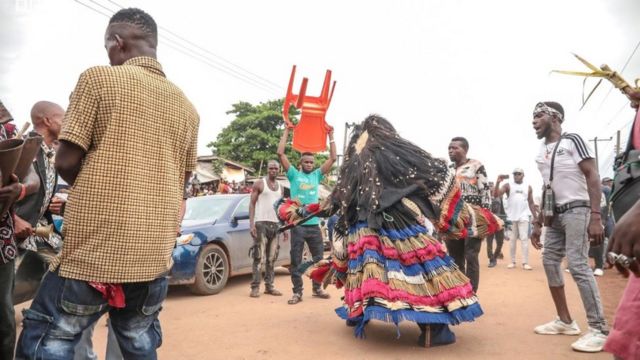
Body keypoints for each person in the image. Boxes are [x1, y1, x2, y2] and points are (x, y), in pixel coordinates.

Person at [16, 8, 199, 359]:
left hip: (95, 253)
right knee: (138, 339)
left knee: (49, 337)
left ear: (117, 42)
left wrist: (105, 188)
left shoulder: (99, 79)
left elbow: (67, 161)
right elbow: (181, 183)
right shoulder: (188, 108)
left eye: (108, 48)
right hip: (153, 258)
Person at [307, 115, 484, 347]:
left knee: (364, 269)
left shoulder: (353, 160)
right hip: (398, 222)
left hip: (360, 226)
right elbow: (434, 172)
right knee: (418, 271)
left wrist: (300, 212)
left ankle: (357, 313)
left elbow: (336, 199)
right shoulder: (394, 150)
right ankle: (433, 328)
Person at [529, 101, 608, 353]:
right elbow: (546, 185)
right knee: (550, 261)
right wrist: (538, 221)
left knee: (578, 265)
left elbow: (592, 175)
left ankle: (599, 329)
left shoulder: (572, 140)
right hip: (555, 215)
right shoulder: (541, 151)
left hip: (578, 209)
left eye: (539, 115)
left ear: (555, 118)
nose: (533, 121)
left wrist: (595, 216)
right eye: (532, 117)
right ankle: (565, 321)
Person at [0, 100, 41, 360]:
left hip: (1, 243)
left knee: (3, 324)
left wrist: (20, 190)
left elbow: (31, 176)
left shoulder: (5, 125)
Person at [277, 125, 336, 304]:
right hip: (298, 226)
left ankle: (317, 288)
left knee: (319, 259)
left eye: (311, 162)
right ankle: (297, 292)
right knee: (295, 260)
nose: (309, 164)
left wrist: (331, 135)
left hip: (314, 225)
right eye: (306, 162)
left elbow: (333, 158)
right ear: (301, 163)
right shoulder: (294, 174)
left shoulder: (317, 175)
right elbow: (280, 154)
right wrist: (287, 131)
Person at [15, 101, 64, 261]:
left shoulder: (51, 155)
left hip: (40, 234)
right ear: (48, 121)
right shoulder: (20, 147)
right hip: (12, 238)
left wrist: (54, 205)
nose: (68, 125)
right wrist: (13, 220)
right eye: (64, 119)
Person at [446, 136, 491, 292]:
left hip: (473, 216)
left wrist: (485, 216)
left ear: (465, 150)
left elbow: (485, 191)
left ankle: (471, 294)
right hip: (452, 218)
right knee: (454, 257)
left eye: (455, 148)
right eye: (449, 148)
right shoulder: (448, 170)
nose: (451, 150)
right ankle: (460, 293)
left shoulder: (476, 166)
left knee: (471, 255)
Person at [248, 160, 287, 298]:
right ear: (267, 169)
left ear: (279, 170)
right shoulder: (259, 184)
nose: (273, 170)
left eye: (276, 168)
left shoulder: (281, 188)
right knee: (258, 257)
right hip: (261, 224)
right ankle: (255, 287)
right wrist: (252, 224)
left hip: (275, 225)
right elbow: (252, 204)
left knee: (271, 259)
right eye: (271, 168)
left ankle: (269, 287)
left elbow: (282, 209)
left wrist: (284, 227)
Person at [494, 168, 537, 270]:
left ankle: (525, 263)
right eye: (515, 174)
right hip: (511, 216)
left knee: (524, 239)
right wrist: (497, 182)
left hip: (524, 216)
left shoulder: (528, 187)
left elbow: (531, 202)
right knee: (512, 240)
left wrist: (535, 216)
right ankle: (512, 261)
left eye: (519, 174)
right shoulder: (508, 186)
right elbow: (496, 194)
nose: (516, 176)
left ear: (523, 175)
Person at [486, 181, 507, 268]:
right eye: (489, 186)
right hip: (489, 222)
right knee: (489, 242)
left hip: (499, 222)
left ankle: (495, 255)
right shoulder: (485, 198)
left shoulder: (499, 196)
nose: (491, 187)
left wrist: (504, 220)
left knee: (500, 242)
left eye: (492, 185)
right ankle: (492, 259)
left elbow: (502, 209)